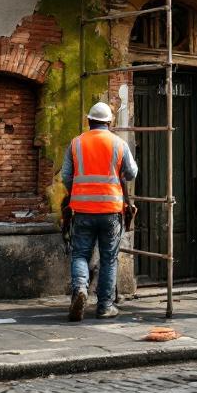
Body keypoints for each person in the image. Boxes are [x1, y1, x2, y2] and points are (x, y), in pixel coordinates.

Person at [61, 101, 137, 322]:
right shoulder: (119, 143)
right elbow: (131, 173)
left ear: (89, 121)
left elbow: (66, 176)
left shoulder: (76, 143)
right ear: (109, 122)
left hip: (82, 210)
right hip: (111, 211)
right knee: (109, 259)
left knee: (80, 254)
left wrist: (78, 192)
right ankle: (104, 307)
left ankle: (80, 289)